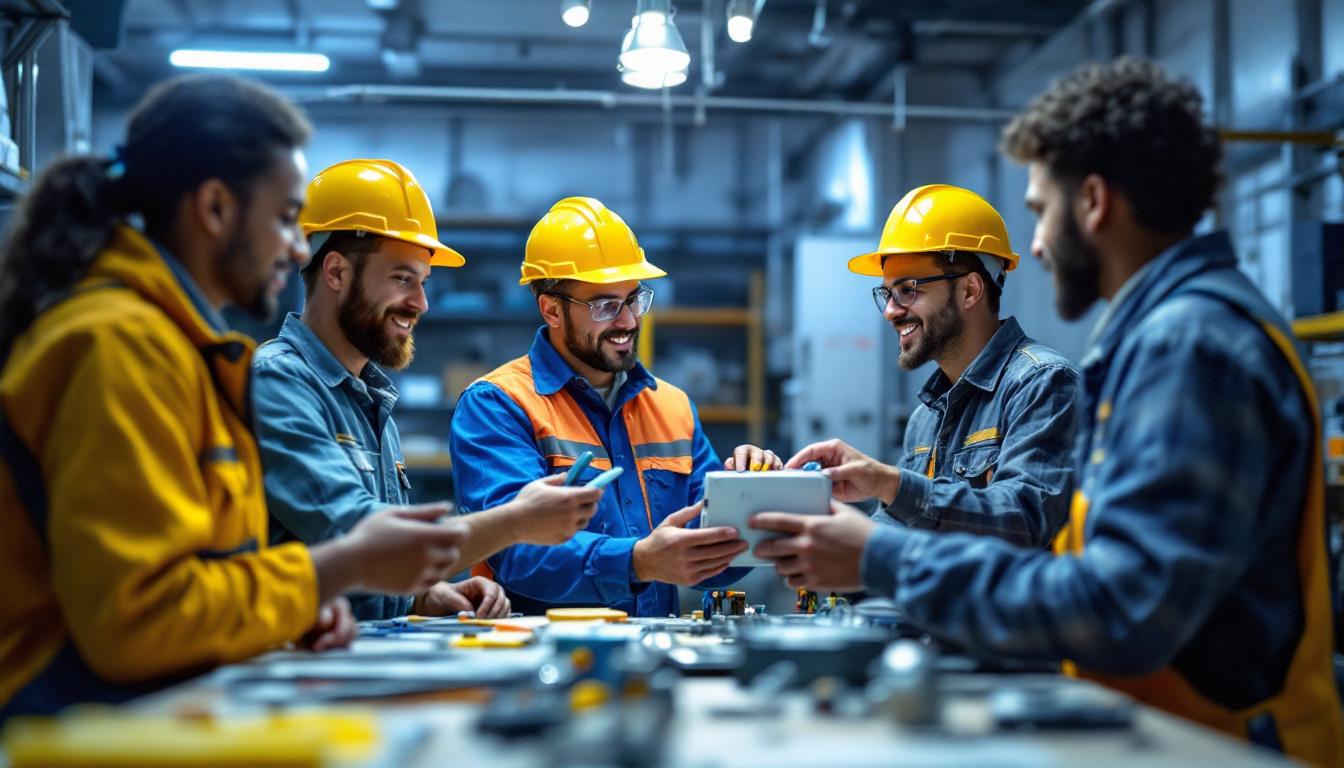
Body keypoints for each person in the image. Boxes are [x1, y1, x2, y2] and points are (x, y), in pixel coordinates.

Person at [750, 57, 1343, 764]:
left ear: (1091, 202)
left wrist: (882, 554)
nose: (1034, 244)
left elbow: (1121, 607)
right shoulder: (1169, 336)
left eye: (1040, 210)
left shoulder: (1188, 344)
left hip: (1222, 746)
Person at [0, 76, 467, 719]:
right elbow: (137, 620)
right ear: (215, 208)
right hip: (64, 730)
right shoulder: (118, 345)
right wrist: (329, 572)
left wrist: (282, 615)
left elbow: (198, 578)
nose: (298, 247)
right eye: (283, 218)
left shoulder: (189, 356)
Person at [253, 159, 603, 621]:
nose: (420, 303)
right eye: (402, 278)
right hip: (290, 678)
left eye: (423, 282)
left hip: (356, 670)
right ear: (336, 273)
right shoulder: (277, 382)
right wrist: (517, 521)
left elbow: (369, 576)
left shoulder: (371, 402)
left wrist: (428, 595)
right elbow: (362, 540)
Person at [450, 197, 752, 616]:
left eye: (634, 299)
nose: (628, 321)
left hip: (651, 660)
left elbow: (709, 555)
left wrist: (755, 499)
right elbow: (515, 553)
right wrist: (638, 561)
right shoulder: (498, 405)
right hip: (538, 664)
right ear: (551, 309)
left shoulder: (672, 406)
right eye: (606, 305)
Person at [782, 185, 1078, 547]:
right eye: (887, 294)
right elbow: (899, 543)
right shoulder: (925, 418)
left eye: (908, 289)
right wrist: (810, 526)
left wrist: (889, 483)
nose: (890, 311)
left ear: (969, 291)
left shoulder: (1041, 384)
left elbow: (1025, 519)